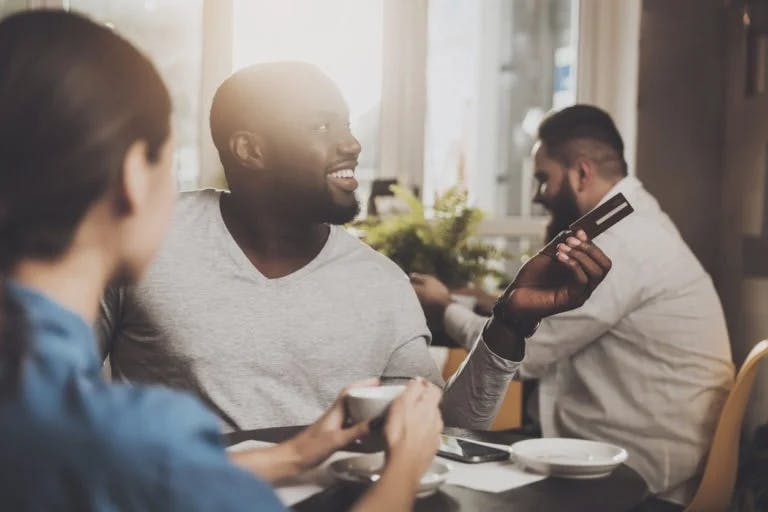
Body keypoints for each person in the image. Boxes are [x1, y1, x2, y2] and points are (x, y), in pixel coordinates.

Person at [0, 11, 446, 511]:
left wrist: (295, 454)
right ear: (132, 178)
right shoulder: (138, 425)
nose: (352, 142)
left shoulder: (58, 411)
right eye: (165, 165)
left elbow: (127, 465)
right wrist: (406, 466)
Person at [99, 62, 613, 431]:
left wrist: (510, 323)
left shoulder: (381, 284)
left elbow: (444, 428)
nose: (351, 143)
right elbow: (41, 391)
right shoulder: (146, 239)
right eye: (323, 126)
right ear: (250, 149)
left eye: (346, 123)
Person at [412, 105, 735, 508]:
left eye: (543, 179)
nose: (537, 195)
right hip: (633, 453)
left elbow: (524, 357)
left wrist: (443, 309)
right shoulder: (633, 221)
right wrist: (490, 299)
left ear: (582, 173)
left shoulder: (618, 247)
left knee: (446, 487)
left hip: (638, 478)